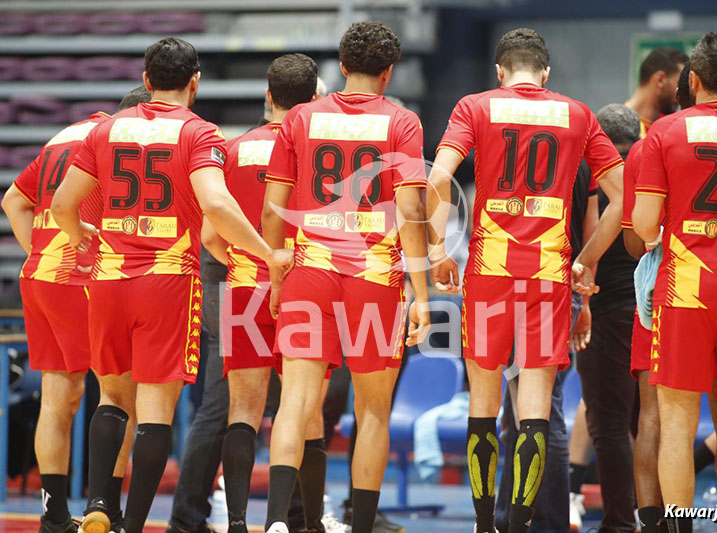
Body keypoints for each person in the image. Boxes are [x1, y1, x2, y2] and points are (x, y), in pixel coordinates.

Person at [50, 37, 292, 533]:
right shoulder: (201, 133)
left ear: (145, 81)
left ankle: (99, 504)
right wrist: (267, 253)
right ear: (195, 82)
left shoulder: (106, 130)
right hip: (166, 282)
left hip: (111, 277)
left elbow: (60, 205)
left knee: (111, 399)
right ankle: (131, 526)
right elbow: (220, 208)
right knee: (155, 410)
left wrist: (79, 236)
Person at [427, 27, 624, 533]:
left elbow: (436, 179)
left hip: (489, 270)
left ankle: (481, 525)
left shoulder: (475, 106)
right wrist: (587, 258)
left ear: (499, 71)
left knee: (484, 403)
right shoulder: (577, 114)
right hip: (547, 273)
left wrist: (437, 250)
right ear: (546, 73)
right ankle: (520, 524)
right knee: (535, 406)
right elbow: (624, 198)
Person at [260, 21, 431, 533]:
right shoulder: (402, 121)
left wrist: (275, 274)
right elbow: (411, 210)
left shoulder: (302, 118)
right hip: (374, 279)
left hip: (309, 272)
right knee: (373, 411)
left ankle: (273, 523)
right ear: (387, 72)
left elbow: (273, 213)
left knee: (296, 403)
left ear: (340, 65)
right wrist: (421, 295)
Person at [166, 73, 335, 533]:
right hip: (304, 286)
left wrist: (249, 262)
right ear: (316, 99)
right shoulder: (317, 150)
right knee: (306, 410)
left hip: (243, 288)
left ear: (268, 96)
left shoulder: (234, 148)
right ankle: (305, 522)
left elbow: (209, 239)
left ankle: (238, 522)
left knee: (241, 408)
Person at [633, 31, 717, 533]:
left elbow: (646, 225)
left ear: (692, 81)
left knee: (677, 421)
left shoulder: (666, 133)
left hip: (685, 292)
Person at [1, 86, 150, 533]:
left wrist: (40, 249)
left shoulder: (62, 136)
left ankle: (54, 516)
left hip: (41, 276)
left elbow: (12, 200)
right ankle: (106, 509)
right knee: (120, 395)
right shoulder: (117, 138)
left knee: (57, 398)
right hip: (85, 277)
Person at [494, 161, 600, 533]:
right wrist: (583, 296)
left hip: (521, 284)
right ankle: (509, 516)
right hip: (557, 287)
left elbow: (597, 219)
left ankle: (549, 521)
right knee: (521, 414)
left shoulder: (517, 153)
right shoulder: (579, 155)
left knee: (540, 414)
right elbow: (593, 225)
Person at [576, 102, 641, 533]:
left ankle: (620, 522)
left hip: (604, 309)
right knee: (650, 421)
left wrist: (580, 274)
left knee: (610, 422)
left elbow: (579, 233)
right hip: (657, 307)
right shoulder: (653, 167)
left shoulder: (590, 172)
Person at [624, 47, 688, 136]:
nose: (683, 94)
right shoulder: (616, 126)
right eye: (679, 84)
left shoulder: (673, 128)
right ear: (660, 80)